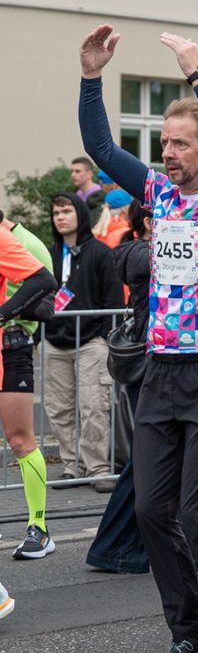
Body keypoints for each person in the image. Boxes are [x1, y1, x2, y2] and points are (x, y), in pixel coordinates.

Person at [79, 24, 198, 653]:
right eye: (164, 145)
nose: (169, 154)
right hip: (162, 369)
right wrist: (91, 77)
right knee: (154, 512)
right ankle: (188, 635)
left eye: (180, 144)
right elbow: (100, 147)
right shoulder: (158, 195)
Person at [86, 201, 154, 574]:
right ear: (147, 222)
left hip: (149, 364)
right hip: (149, 366)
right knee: (147, 460)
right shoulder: (140, 253)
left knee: (149, 459)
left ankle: (123, 546)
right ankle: (115, 546)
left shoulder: (136, 250)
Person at [44, 191, 122, 496]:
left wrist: (105, 336)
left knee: (93, 406)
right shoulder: (50, 253)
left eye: (66, 211)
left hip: (90, 341)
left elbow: (113, 296)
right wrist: (42, 335)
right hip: (55, 342)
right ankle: (71, 463)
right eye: (56, 213)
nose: (60, 217)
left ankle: (98, 466)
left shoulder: (100, 253)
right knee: (59, 408)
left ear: (79, 213)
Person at [0, 222, 58, 562]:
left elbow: (49, 299)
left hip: (13, 348)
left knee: (21, 440)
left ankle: (39, 527)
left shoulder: (26, 243)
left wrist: (6, 313)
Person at [69, 155, 105, 223]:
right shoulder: (78, 194)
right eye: (72, 171)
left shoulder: (100, 193)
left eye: (77, 171)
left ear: (89, 174)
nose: (73, 175)